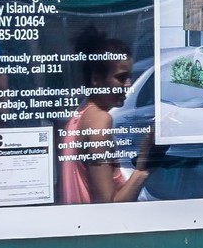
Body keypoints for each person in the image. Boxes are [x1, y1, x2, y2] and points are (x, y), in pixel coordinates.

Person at [61, 30, 154, 205]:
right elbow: (109, 205)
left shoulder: (78, 117)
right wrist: (142, 169)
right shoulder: (100, 120)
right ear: (96, 79)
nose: (128, 85)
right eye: (121, 77)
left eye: (129, 77)